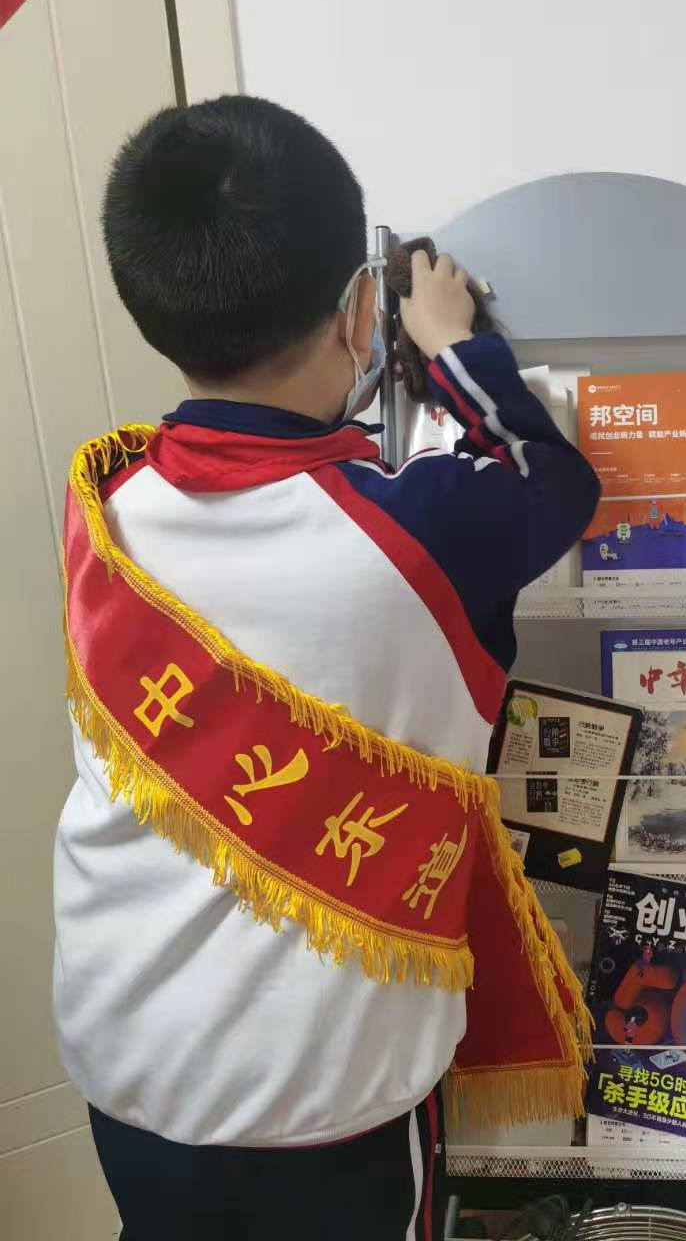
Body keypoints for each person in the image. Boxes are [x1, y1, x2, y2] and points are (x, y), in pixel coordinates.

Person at [53, 95, 599, 1240]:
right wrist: (453, 344)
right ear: (360, 309)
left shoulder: (112, 513)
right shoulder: (417, 529)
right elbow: (550, 478)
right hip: (327, 1096)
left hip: (129, 1061)